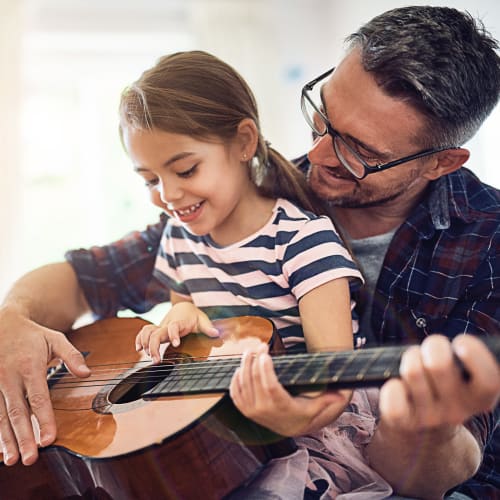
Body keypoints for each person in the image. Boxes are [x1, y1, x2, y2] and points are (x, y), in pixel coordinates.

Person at [0, 4, 498, 499]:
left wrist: (424, 426)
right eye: (321, 114)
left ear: (441, 162)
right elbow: (84, 277)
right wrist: (13, 321)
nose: (319, 155)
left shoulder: (487, 242)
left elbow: (439, 473)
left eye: (360, 151)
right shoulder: (244, 197)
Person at [121, 50, 363, 436]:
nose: (167, 194)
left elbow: (334, 382)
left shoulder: (303, 241)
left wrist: (290, 418)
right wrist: (179, 320)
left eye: (185, 170)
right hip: (229, 431)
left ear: (243, 142)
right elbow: (197, 350)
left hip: (313, 431)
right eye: (150, 180)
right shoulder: (178, 238)